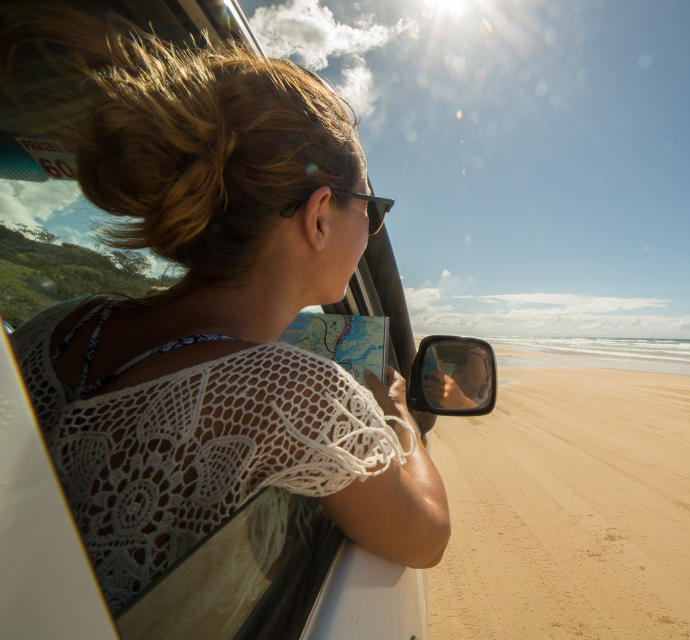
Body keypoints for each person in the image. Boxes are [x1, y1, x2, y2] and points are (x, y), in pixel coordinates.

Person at [1, 5, 449, 614]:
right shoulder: (294, 393)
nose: (371, 227)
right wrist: (399, 418)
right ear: (319, 216)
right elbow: (428, 533)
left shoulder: (59, 327)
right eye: (370, 208)